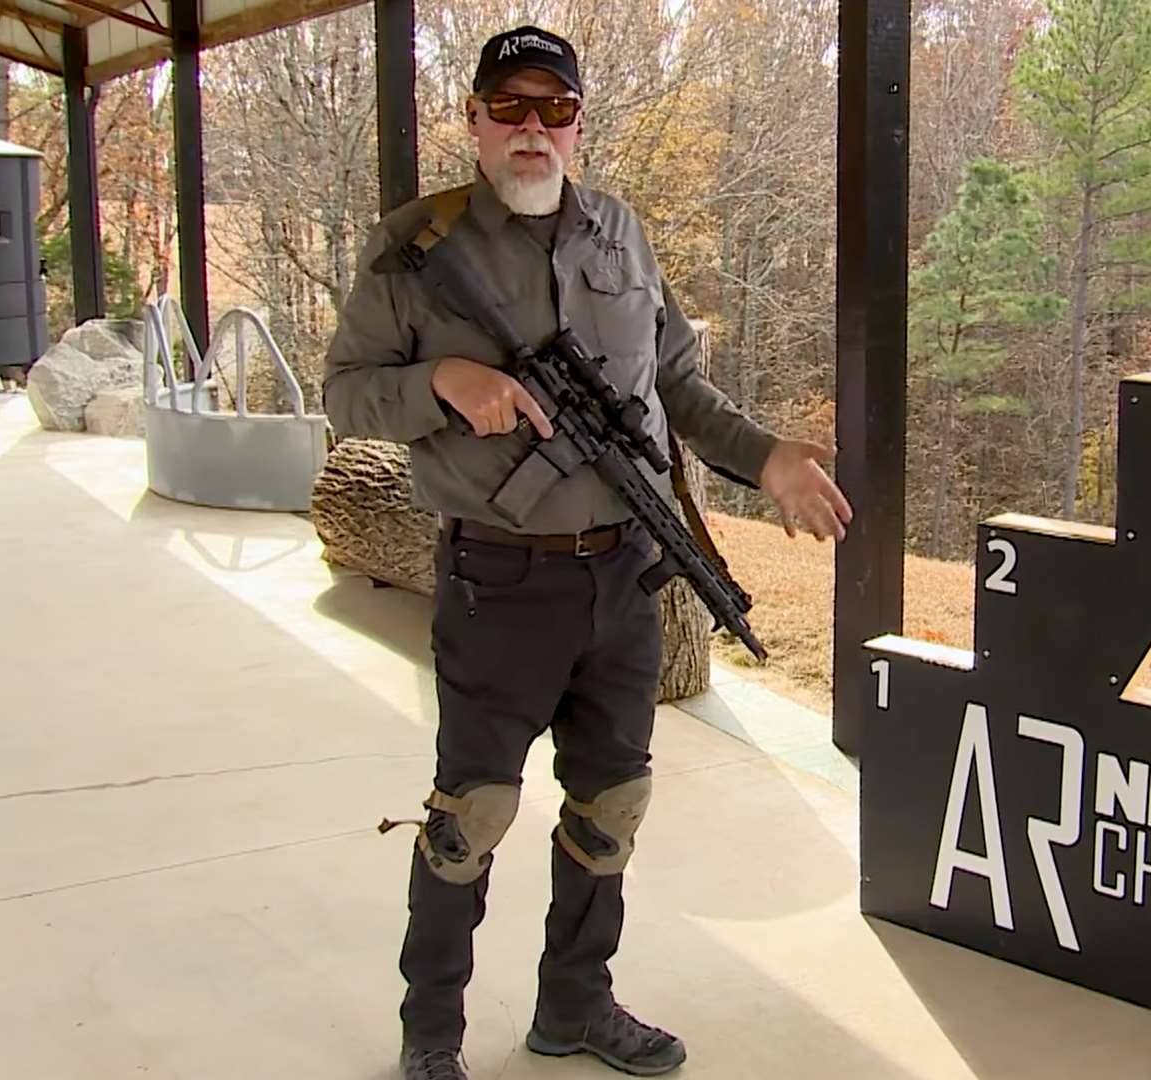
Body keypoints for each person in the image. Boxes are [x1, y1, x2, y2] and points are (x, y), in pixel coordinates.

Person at [321, 24, 852, 1080]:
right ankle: (432, 1033)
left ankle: (576, 1006)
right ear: (472, 120)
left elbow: (679, 392)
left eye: (553, 109)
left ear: (578, 123)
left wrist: (768, 460)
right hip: (498, 578)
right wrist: (440, 384)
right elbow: (342, 394)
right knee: (471, 813)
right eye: (508, 107)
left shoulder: (620, 234)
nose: (531, 129)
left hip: (623, 578)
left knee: (612, 802)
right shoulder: (413, 247)